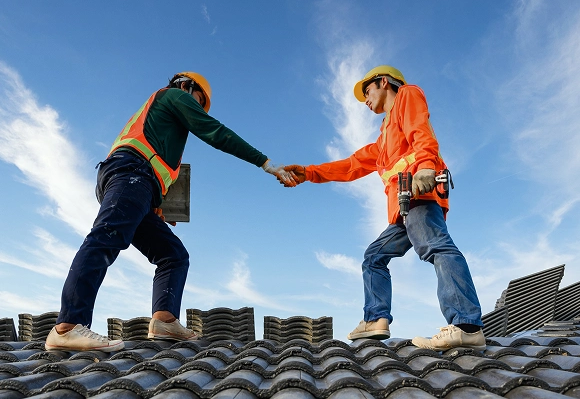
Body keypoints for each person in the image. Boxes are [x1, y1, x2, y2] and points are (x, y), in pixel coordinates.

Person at [45, 72, 293, 352]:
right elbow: (215, 132)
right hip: (131, 174)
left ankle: (164, 321)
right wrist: (265, 162)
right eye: (198, 101)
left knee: (173, 255)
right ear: (187, 86)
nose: (196, 108)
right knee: (105, 238)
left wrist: (156, 204)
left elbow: (157, 158)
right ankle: (67, 327)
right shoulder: (173, 95)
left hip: (138, 183)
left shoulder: (163, 124)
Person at [282, 66, 485, 351]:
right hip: (403, 209)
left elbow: (421, 131)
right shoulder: (384, 140)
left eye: (368, 91)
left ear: (384, 82)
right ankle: (376, 319)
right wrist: (308, 172)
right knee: (374, 257)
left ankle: (467, 325)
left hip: (420, 193)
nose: (365, 100)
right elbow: (351, 165)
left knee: (436, 246)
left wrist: (426, 167)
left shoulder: (407, 96)